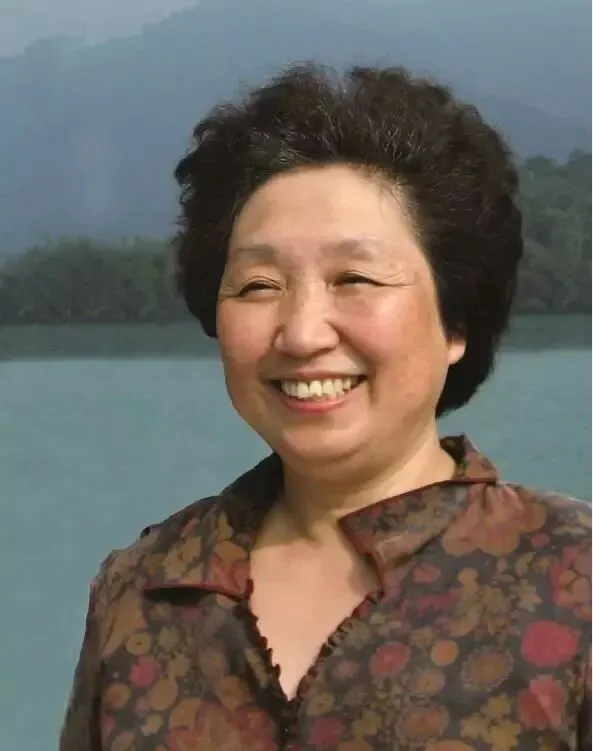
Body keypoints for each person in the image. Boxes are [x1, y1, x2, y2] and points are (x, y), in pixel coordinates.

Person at [60, 64, 591, 750]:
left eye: (354, 278)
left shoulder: (570, 577)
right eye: (258, 285)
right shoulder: (146, 587)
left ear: (456, 320)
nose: (302, 333)